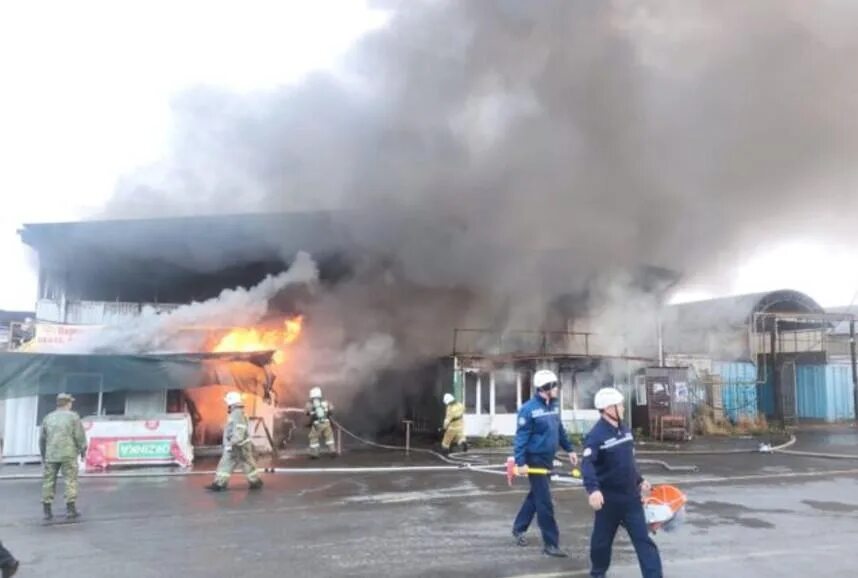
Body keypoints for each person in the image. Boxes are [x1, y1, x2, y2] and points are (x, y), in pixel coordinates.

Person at [581, 387, 663, 578]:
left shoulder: (624, 429)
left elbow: (628, 462)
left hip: (631, 499)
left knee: (645, 543)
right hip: (608, 502)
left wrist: (640, 480)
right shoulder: (596, 436)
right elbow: (588, 465)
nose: (623, 408)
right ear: (608, 408)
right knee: (601, 544)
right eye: (619, 405)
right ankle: (597, 574)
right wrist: (593, 490)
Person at [511, 369, 578, 558]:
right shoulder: (528, 409)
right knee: (544, 502)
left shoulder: (554, 406)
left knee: (536, 496)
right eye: (555, 386)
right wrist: (520, 462)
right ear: (546, 388)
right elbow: (521, 438)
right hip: (534, 460)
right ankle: (551, 543)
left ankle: (519, 528)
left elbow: (560, 430)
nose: (557, 389)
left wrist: (570, 449)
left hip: (548, 459)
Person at [40, 392, 87, 521]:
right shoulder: (73, 417)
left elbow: (42, 439)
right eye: (71, 402)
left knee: (48, 481)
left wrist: (44, 455)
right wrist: (83, 450)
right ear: (68, 403)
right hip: (68, 454)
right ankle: (70, 509)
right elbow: (79, 436)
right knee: (70, 480)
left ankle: (47, 510)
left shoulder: (48, 417)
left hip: (51, 454)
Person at [206, 391, 264, 491]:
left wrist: (231, 443)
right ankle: (255, 481)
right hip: (239, 444)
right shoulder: (237, 412)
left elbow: (239, 431)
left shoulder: (237, 414)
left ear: (231, 402)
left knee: (229, 462)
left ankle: (219, 484)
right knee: (244, 463)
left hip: (237, 445)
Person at [305, 387, 336, 458]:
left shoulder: (310, 404)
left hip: (316, 424)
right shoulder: (326, 402)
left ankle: (315, 453)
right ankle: (332, 451)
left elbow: (306, 412)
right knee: (329, 437)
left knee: (314, 437)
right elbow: (331, 410)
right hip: (326, 423)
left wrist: (309, 412)